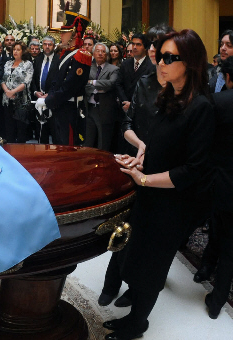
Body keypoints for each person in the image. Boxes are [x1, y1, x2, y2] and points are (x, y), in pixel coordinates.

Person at [104, 29, 214, 340]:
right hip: (150, 192)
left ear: (190, 63)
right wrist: (140, 160)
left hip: (173, 202)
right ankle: (133, 315)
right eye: (160, 56)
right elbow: (158, 143)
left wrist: (144, 178)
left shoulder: (201, 107)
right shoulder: (169, 96)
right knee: (136, 256)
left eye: (169, 58)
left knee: (152, 266)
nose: (160, 62)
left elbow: (193, 169)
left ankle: (138, 323)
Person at [35, 11, 92, 146]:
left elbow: (69, 87)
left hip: (70, 108)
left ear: (73, 34)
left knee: (68, 144)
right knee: (58, 142)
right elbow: (57, 80)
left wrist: (48, 100)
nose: (60, 35)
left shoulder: (81, 56)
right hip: (60, 105)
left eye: (64, 32)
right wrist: (49, 95)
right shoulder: (67, 54)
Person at [205, 57, 233, 320]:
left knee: (223, 239)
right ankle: (217, 300)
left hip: (223, 183)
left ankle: (215, 302)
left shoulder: (220, 103)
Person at [83, 43, 119, 151]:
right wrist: (100, 87)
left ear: (107, 55)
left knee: (103, 143)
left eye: (103, 52)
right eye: (98, 51)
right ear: (93, 53)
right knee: (88, 141)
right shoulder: (87, 68)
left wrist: (92, 82)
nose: (100, 54)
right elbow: (83, 84)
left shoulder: (113, 69)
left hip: (104, 110)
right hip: (89, 108)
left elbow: (110, 84)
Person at [1, 42, 33, 143]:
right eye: (14, 49)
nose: (15, 51)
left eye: (18, 49)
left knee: (21, 131)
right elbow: (2, 80)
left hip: (21, 101)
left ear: (23, 51)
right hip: (7, 100)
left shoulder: (27, 64)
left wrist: (13, 91)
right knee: (9, 130)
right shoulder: (8, 63)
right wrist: (7, 91)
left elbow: (26, 82)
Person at [116, 33, 155, 114]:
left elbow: (150, 91)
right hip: (123, 108)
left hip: (142, 110)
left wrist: (133, 104)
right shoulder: (125, 64)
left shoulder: (151, 66)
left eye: (138, 44)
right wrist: (125, 101)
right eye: (133, 44)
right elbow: (118, 84)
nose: (134, 47)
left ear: (145, 47)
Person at [31, 36, 59, 144]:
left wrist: (50, 94)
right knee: (41, 133)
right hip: (38, 100)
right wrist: (35, 92)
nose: (47, 47)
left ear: (54, 46)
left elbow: (59, 81)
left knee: (55, 133)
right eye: (45, 44)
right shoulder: (37, 59)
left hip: (53, 100)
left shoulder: (59, 60)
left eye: (50, 44)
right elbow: (32, 79)